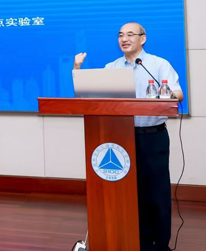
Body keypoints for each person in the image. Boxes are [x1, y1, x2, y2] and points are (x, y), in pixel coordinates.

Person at [74, 22, 183, 251]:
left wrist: (167, 95)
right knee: (128, 194)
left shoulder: (158, 64)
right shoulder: (111, 67)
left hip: (152, 138)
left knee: (156, 193)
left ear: (143, 39)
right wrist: (77, 69)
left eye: (130, 34)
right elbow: (92, 96)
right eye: (121, 35)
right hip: (119, 139)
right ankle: (135, 242)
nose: (124, 39)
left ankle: (159, 245)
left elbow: (178, 93)